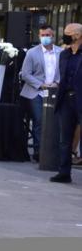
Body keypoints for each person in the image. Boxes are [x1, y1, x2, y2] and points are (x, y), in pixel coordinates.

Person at [20, 25, 61, 162]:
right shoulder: (32, 53)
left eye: (48, 35)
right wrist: (41, 85)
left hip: (55, 91)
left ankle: (53, 150)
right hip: (36, 92)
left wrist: (57, 83)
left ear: (53, 36)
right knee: (39, 120)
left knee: (55, 121)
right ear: (39, 36)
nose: (45, 38)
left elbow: (64, 72)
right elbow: (25, 74)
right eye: (43, 35)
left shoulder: (61, 53)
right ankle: (39, 151)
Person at [50, 23, 82, 183]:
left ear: (77, 35)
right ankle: (64, 172)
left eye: (68, 33)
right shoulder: (64, 55)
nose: (65, 36)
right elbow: (62, 77)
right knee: (65, 139)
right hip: (66, 100)